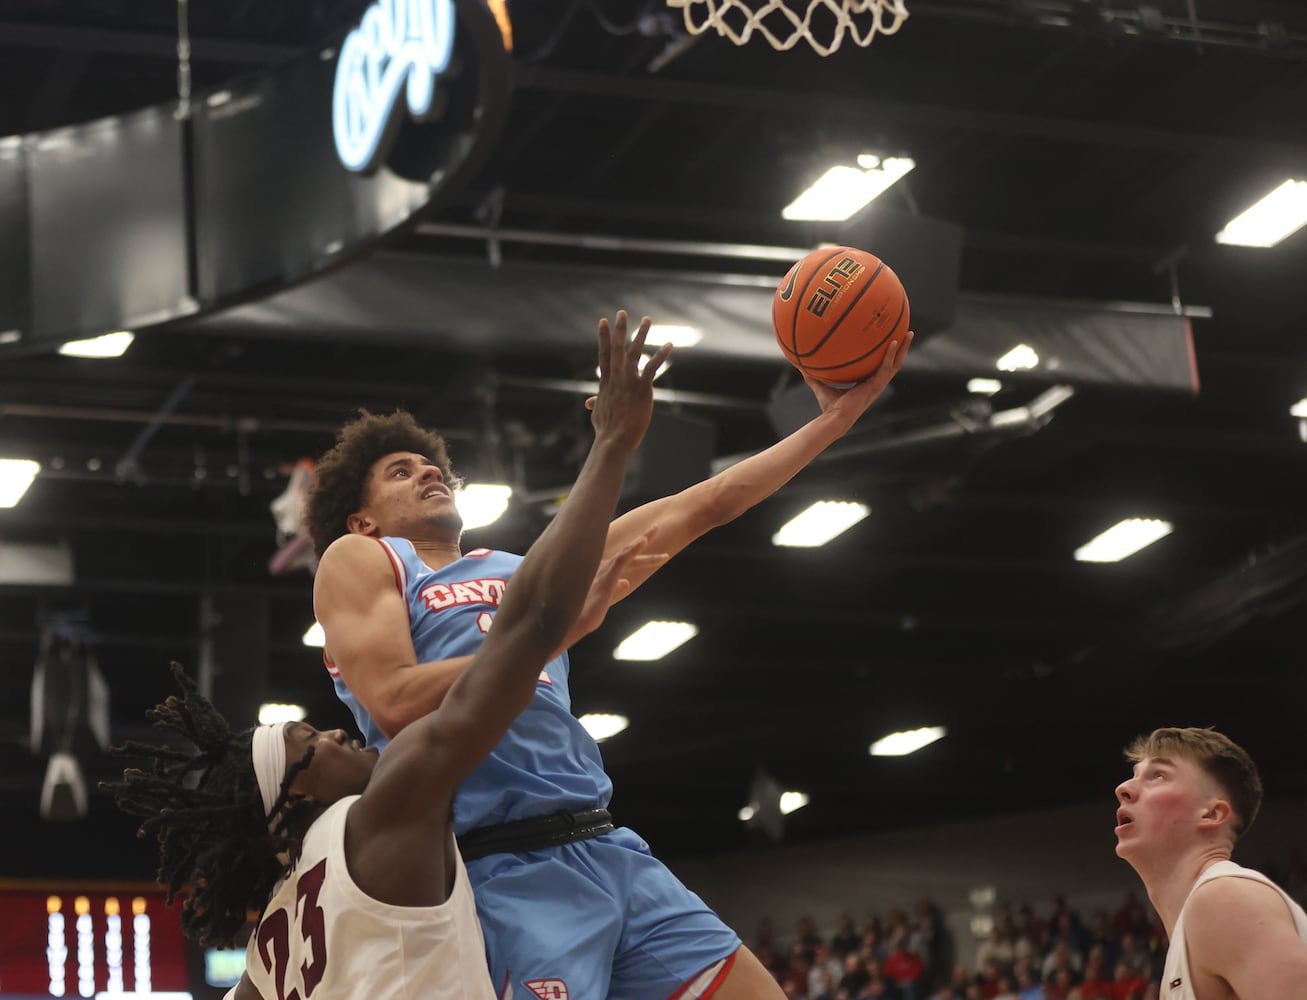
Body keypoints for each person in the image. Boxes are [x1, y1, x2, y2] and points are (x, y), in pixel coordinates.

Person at [304, 312, 911, 999]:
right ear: (361, 519)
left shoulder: (525, 567)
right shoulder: (364, 559)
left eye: (432, 464)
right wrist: (546, 632)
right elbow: (394, 700)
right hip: (501, 865)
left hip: (605, 846)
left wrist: (833, 420)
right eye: (400, 471)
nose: (429, 473)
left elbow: (703, 505)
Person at [102, 313, 668, 999]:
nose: (337, 729)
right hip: (526, 878)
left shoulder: (278, 931)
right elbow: (454, 715)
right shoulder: (373, 821)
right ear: (292, 800)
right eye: (313, 740)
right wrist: (551, 624)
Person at [1113, 726, 1307, 998]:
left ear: (1212, 814)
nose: (1123, 788)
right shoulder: (1196, 923)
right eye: (1134, 775)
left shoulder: (1225, 898)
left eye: (1158, 775)